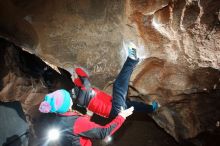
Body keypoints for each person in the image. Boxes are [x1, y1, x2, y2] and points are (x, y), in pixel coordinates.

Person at [71, 42, 159, 118]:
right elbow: (84, 78)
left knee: (131, 105)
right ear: (79, 91)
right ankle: (132, 60)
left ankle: (151, 108)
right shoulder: (84, 92)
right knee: (118, 86)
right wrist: (75, 70)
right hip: (115, 108)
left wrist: (75, 80)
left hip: (114, 110)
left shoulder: (81, 98)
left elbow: (81, 85)